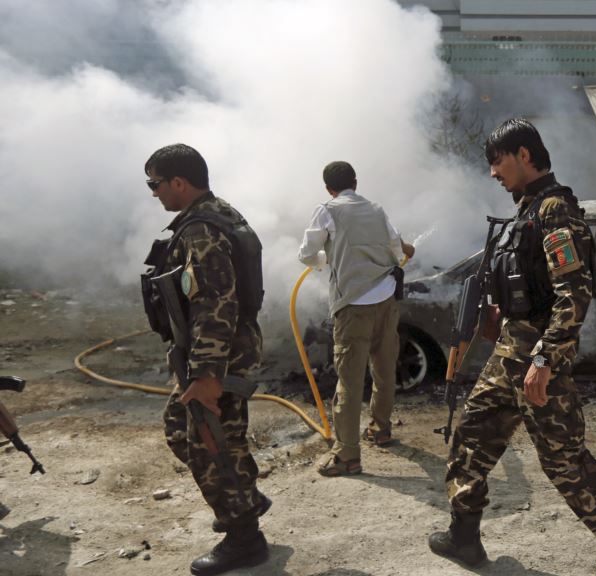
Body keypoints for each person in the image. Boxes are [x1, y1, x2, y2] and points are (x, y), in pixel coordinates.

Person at [427, 119, 596, 576]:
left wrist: (546, 360)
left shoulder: (556, 211)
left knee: (563, 458)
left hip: (536, 358)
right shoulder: (527, 212)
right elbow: (530, 284)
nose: (493, 172)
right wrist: (500, 314)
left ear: (524, 155)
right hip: (511, 352)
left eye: (498, 161)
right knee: (470, 437)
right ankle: (464, 537)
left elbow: (574, 293)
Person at [142, 144, 270, 575]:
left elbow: (216, 304)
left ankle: (244, 538)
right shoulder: (217, 213)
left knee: (208, 443)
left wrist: (207, 375)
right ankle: (246, 500)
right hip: (224, 351)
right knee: (193, 433)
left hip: (221, 356)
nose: (154, 193)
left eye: (155, 184)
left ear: (178, 182)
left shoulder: (201, 229)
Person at [298, 161, 414, 476]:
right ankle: (381, 429)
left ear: (328, 188)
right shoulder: (376, 209)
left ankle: (347, 456)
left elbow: (307, 254)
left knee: (349, 382)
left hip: (353, 306)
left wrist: (327, 258)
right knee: (385, 368)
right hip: (387, 301)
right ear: (356, 182)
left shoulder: (326, 210)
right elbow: (396, 247)